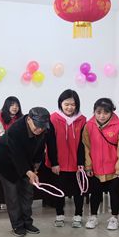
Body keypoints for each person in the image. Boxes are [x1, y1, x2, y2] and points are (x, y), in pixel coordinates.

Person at [0, 107, 51, 236]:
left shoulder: (44, 128)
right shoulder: (16, 130)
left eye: (42, 127)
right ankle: (17, 225)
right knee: (12, 194)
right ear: (29, 119)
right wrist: (28, 172)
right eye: (37, 126)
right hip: (5, 162)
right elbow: (16, 155)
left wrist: (35, 169)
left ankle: (27, 223)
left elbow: (40, 149)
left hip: (25, 160)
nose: (40, 129)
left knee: (28, 192)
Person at [83, 98, 119, 230]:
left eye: (106, 112)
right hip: (95, 168)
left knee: (114, 193)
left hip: (114, 169)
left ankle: (114, 217)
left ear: (112, 112)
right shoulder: (89, 125)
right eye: (98, 112)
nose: (102, 116)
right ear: (94, 112)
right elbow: (86, 147)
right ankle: (93, 216)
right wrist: (88, 166)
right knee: (95, 193)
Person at [46, 89, 87, 228]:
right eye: (66, 104)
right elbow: (50, 143)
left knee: (79, 190)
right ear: (61, 104)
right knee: (59, 190)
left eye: (73, 104)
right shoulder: (53, 119)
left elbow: (83, 144)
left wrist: (81, 162)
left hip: (77, 164)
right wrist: (54, 163)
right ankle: (59, 215)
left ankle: (78, 215)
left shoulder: (82, 120)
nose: (70, 107)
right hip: (59, 163)